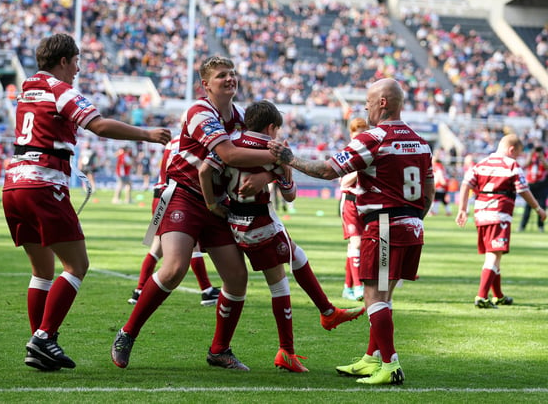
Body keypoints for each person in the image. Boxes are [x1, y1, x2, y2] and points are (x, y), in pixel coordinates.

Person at [2, 33, 170, 372]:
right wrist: (146, 134)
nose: (78, 69)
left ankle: (40, 343)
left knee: (41, 270)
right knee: (77, 265)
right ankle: (44, 336)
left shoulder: (27, 86)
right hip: (43, 183)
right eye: (76, 61)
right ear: (63, 61)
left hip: (13, 184)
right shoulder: (59, 89)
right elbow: (99, 125)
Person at [111, 56, 277, 371]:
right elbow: (230, 154)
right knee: (174, 267)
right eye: (221, 76)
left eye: (232, 74)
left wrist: (269, 173)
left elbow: (260, 160)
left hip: (215, 203)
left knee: (237, 278)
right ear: (206, 84)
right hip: (183, 197)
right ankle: (127, 333)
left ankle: (219, 350)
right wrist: (279, 157)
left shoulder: (241, 116)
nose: (230, 79)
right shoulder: (199, 112)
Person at [269, 78, 434, 385]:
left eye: (369, 103)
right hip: (412, 226)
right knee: (384, 297)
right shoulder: (420, 141)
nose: (366, 108)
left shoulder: (374, 138)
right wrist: (412, 217)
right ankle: (372, 358)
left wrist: (289, 159)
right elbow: (429, 188)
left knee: (373, 297)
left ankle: (390, 365)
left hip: (384, 225)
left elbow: (329, 170)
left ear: (383, 102)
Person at [199, 100, 364, 372]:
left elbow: (205, 170)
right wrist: (277, 171)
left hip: (236, 220)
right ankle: (287, 350)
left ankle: (327, 311)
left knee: (298, 256)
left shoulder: (229, 142)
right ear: (272, 127)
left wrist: (212, 204)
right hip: (261, 223)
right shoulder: (272, 149)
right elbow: (290, 195)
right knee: (279, 285)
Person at [455, 134, 546, 309]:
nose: (517, 158)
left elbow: (466, 183)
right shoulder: (511, 164)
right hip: (499, 214)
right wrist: (538, 209)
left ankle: (498, 296)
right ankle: (482, 296)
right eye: (518, 154)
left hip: (481, 214)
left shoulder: (482, 163)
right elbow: (523, 190)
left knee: (494, 253)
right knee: (493, 255)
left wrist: (462, 209)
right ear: (512, 150)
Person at [129, 135, 220, 307]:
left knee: (157, 247)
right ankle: (207, 291)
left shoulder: (174, 142)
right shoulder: (196, 142)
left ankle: (139, 290)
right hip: (177, 196)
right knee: (191, 246)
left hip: (161, 194)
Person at [339, 117, 369, 301]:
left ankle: (347, 287)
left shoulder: (367, 151)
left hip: (364, 203)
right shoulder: (347, 153)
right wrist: (361, 169)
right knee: (356, 243)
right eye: (357, 135)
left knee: (355, 246)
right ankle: (359, 287)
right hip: (350, 201)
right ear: (351, 135)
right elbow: (343, 181)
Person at [517, 144, 548, 232]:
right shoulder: (531, 155)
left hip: (542, 184)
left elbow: (547, 167)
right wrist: (531, 154)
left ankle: (540, 226)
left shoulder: (545, 155)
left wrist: (541, 157)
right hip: (531, 184)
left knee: (542, 205)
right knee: (528, 206)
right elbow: (526, 164)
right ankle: (522, 226)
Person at [430, 150, 453, 216]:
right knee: (440, 198)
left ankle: (434, 211)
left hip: (439, 184)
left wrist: (442, 181)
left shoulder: (437, 166)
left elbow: (439, 174)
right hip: (441, 184)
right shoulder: (440, 165)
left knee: (434, 197)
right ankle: (446, 211)